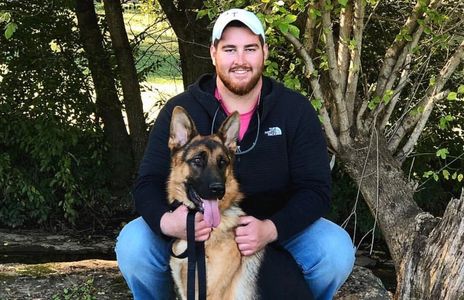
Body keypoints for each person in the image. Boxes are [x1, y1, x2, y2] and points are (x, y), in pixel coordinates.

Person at [116, 8, 355, 300]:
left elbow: (316, 190)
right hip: (194, 225)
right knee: (133, 244)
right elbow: (148, 182)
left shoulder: (294, 110)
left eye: (250, 49)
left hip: (276, 227)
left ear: (264, 52)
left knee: (335, 249)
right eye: (230, 49)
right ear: (214, 53)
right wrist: (169, 223)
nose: (240, 60)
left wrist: (271, 228)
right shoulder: (181, 109)